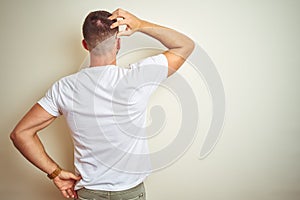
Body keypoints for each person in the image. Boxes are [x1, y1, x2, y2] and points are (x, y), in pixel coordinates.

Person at [10, 8, 194, 200]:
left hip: (88, 193)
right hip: (130, 193)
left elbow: (20, 134)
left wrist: (55, 173)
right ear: (118, 42)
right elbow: (185, 46)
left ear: (85, 44)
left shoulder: (64, 88)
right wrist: (140, 25)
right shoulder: (138, 77)